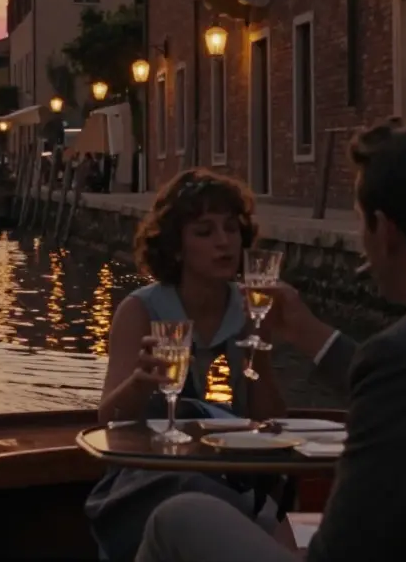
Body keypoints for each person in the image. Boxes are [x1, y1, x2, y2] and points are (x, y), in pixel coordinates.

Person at [135, 119, 406, 562]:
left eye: (360, 223)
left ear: (384, 230)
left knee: (179, 517)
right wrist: (308, 333)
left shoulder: (403, 356)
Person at [86, 168, 290, 560]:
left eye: (231, 229)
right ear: (177, 247)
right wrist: (141, 382)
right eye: (205, 232)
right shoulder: (141, 311)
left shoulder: (251, 308)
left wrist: (260, 351)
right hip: (148, 480)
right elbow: (106, 419)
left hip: (232, 475)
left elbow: (270, 422)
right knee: (195, 491)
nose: (223, 242)